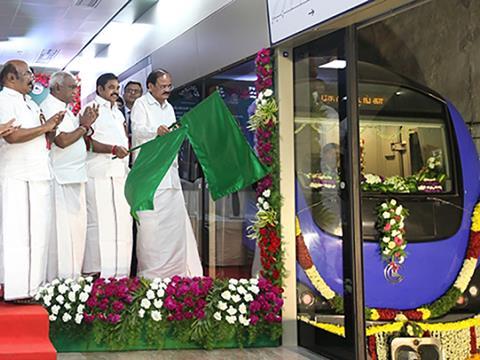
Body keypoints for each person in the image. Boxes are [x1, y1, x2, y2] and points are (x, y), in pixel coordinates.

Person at [0, 60, 64, 302]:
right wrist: (44, 126)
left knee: (37, 234)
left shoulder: (28, 102)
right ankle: (16, 289)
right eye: (27, 73)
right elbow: (13, 136)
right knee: (18, 235)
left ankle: (32, 287)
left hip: (37, 174)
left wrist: (51, 127)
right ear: (10, 78)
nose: (32, 77)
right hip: (17, 176)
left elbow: (44, 136)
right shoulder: (4, 100)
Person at [131, 69, 202, 279]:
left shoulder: (169, 107)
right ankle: (151, 274)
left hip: (170, 174)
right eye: (163, 86)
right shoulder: (141, 104)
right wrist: (156, 130)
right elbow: (137, 130)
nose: (167, 90)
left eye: (169, 86)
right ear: (150, 86)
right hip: (150, 175)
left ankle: (176, 272)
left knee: (174, 226)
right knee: (150, 228)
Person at [41, 71, 99, 281]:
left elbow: (77, 138)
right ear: (57, 88)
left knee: (77, 231)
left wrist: (86, 126)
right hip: (61, 178)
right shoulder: (50, 107)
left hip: (75, 176)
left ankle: (72, 277)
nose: (75, 91)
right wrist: (84, 126)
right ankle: (60, 281)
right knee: (63, 234)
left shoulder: (65, 109)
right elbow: (62, 141)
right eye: (71, 87)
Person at [82, 73, 132, 278]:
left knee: (121, 223)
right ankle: (96, 271)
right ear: (100, 89)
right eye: (111, 87)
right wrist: (112, 149)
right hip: (98, 173)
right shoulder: (91, 109)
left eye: (117, 87)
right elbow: (87, 142)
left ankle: (119, 271)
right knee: (99, 223)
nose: (115, 91)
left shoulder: (118, 113)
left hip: (119, 173)